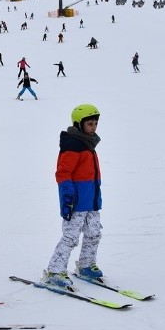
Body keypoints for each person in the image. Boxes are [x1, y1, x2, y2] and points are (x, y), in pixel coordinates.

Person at [43, 104, 104, 288]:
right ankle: (55, 270)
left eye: (95, 123)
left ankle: (86, 265)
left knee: (94, 233)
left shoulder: (88, 144)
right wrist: (68, 197)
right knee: (70, 237)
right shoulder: (73, 145)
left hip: (91, 201)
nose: (93, 127)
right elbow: (63, 173)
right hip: (76, 202)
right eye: (90, 124)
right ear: (79, 124)